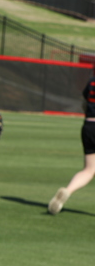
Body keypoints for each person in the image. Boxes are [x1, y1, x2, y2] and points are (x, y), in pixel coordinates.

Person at [48, 69, 95, 214]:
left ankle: (68, 190)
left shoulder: (91, 82)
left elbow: (84, 104)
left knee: (89, 169)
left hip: (88, 126)